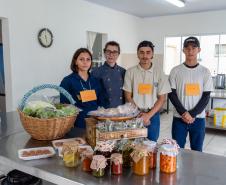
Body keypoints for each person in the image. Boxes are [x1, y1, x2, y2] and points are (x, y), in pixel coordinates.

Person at [168, 36, 213, 152]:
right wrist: (184, 113)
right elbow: (172, 95)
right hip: (179, 118)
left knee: (197, 150)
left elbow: (206, 96)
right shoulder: (175, 71)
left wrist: (192, 114)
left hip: (198, 119)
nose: (190, 51)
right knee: (177, 150)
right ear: (183, 50)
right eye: (187, 48)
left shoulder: (205, 72)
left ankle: (196, 170)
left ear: (199, 50)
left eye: (194, 48)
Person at [123, 41, 171, 141]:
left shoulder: (159, 72)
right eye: (142, 52)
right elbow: (128, 96)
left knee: (152, 144)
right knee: (133, 146)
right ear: (137, 54)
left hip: (153, 115)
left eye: (148, 52)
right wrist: (140, 115)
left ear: (152, 54)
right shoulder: (130, 72)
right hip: (134, 115)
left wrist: (148, 116)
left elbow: (162, 98)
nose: (145, 56)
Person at [60, 48, 103, 131]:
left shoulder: (96, 80)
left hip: (96, 122)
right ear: (75, 61)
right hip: (77, 123)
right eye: (81, 59)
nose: (85, 62)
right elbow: (63, 105)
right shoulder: (67, 81)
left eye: (88, 59)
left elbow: (101, 102)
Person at [92, 41, 126, 108]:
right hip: (104, 111)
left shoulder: (123, 71)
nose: (111, 55)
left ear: (118, 54)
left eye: (115, 52)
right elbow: (93, 95)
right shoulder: (96, 72)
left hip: (121, 111)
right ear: (104, 53)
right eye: (108, 51)